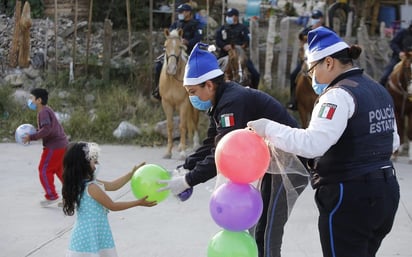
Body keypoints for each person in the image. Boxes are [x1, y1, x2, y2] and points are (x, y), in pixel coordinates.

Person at [248, 27, 400, 257]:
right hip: (386, 192)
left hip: (349, 196)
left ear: (328, 63)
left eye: (312, 70)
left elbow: (312, 144)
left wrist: (268, 128)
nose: (312, 78)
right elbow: (393, 142)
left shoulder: (337, 95)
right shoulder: (378, 90)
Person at [158, 43, 308, 257]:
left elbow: (223, 156)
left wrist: (188, 180)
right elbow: (212, 142)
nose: (191, 98)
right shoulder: (220, 101)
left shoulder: (232, 101)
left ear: (209, 85)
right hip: (272, 163)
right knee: (257, 227)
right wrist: (185, 167)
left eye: (193, 92)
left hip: (291, 164)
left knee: (268, 231)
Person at [62, 142, 157, 257]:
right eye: (94, 161)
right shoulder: (91, 188)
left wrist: (131, 174)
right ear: (83, 165)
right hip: (88, 236)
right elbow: (112, 206)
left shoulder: (83, 184)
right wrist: (137, 203)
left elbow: (113, 185)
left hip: (93, 233)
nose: (97, 165)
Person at [22, 88, 69, 207]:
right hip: (61, 145)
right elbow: (47, 128)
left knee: (44, 169)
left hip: (54, 147)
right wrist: (37, 132)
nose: (30, 101)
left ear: (39, 100)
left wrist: (32, 137)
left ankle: (51, 196)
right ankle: (71, 196)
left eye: (32, 98)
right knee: (60, 171)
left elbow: (47, 130)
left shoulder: (43, 112)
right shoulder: (47, 110)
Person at [152, 3, 203, 100]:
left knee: (199, 68)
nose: (180, 14)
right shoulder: (176, 23)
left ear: (188, 12)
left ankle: (199, 93)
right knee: (158, 64)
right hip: (175, 51)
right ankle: (158, 89)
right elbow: (169, 35)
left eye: (182, 12)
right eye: (179, 12)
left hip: (190, 51)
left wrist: (188, 42)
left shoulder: (196, 24)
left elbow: (198, 38)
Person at [287, 9, 325, 110]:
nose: (314, 20)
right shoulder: (306, 31)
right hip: (307, 60)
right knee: (293, 75)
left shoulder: (327, 31)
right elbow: (302, 40)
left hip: (323, 62)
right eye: (313, 18)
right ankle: (293, 100)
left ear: (322, 19)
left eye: (316, 18)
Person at [215, 8, 260, 89]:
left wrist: (235, 47)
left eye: (230, 16)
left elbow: (246, 42)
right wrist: (224, 46)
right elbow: (218, 40)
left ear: (236, 17)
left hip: (239, 55)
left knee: (255, 74)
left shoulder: (243, 28)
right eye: (227, 16)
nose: (227, 18)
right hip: (224, 55)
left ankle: (254, 93)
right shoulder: (222, 28)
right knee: (212, 73)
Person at [379, 20, 412, 87]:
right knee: (385, 76)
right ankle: (380, 91)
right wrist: (399, 52)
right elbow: (393, 43)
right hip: (399, 58)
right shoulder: (403, 32)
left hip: (411, 60)